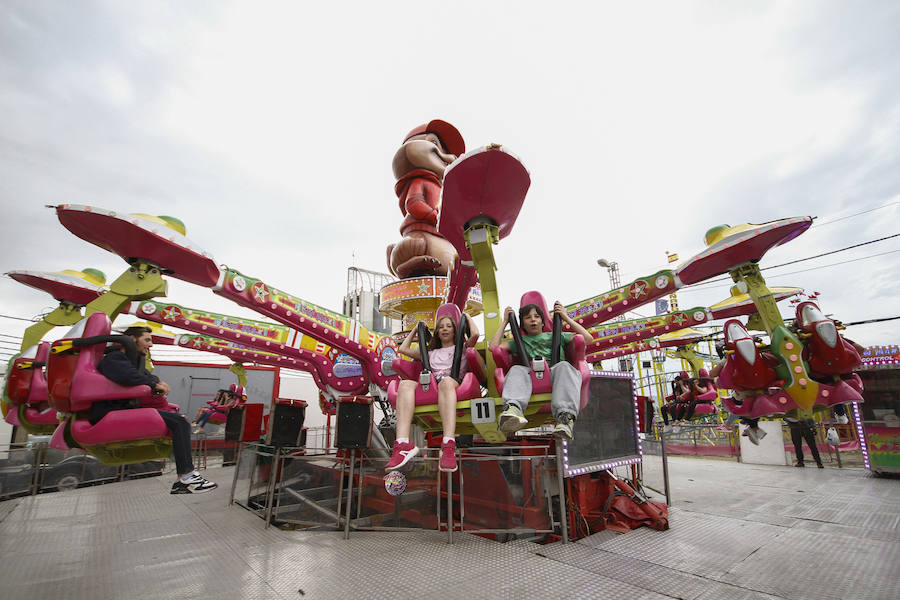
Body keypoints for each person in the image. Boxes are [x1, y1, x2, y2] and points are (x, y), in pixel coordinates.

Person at [96, 326, 217, 493]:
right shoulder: (114, 359)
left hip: (122, 410)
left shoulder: (129, 361)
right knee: (180, 422)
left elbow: (147, 376)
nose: (150, 345)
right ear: (131, 339)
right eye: (147, 340)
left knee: (178, 419)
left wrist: (154, 382)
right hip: (111, 412)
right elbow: (130, 376)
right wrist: (153, 384)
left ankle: (186, 475)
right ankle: (186, 476)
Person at [385, 312, 482, 473]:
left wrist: (466, 317)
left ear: (455, 330)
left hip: (453, 382)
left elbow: (476, 334)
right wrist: (416, 330)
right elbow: (403, 349)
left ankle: (449, 443)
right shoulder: (430, 353)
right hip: (432, 385)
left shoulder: (462, 348)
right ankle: (402, 444)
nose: (444, 329)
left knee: (445, 382)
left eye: (449, 326)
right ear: (436, 332)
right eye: (441, 327)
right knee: (405, 385)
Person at [490, 301, 592, 440]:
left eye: (536, 316)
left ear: (543, 322)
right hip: (530, 376)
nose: (533, 319)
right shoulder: (518, 341)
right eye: (527, 317)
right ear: (523, 324)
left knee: (565, 366)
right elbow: (493, 347)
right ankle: (513, 408)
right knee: (516, 369)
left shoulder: (558, 336)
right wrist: (505, 322)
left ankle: (565, 419)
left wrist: (566, 318)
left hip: (555, 373)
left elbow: (587, 338)